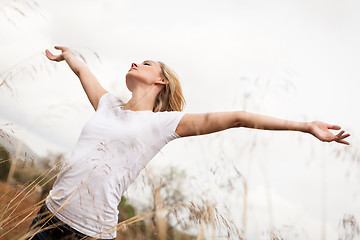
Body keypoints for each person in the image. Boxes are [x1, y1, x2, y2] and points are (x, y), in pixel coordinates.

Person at [26, 46, 350, 240]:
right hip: (50, 213)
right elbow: (83, 69)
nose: (136, 62)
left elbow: (237, 117)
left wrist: (306, 126)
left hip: (92, 231)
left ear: (160, 80)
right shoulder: (107, 105)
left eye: (147, 62)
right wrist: (68, 55)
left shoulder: (162, 123)